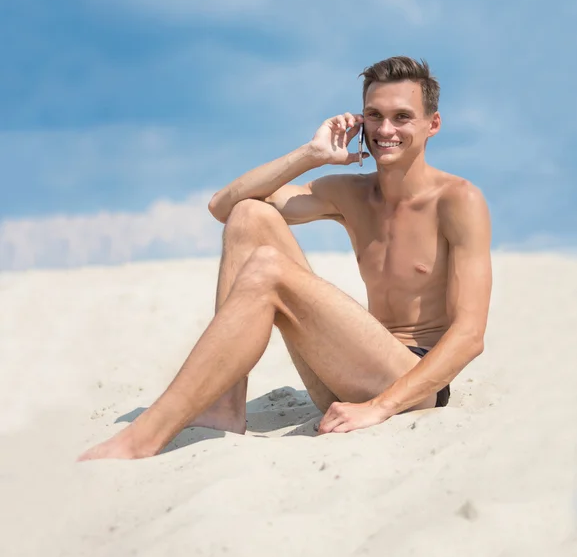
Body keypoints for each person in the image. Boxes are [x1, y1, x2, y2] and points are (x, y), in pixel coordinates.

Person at [79, 56, 492, 461]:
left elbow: (470, 336)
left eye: (402, 117)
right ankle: (224, 405)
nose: (385, 129)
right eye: (374, 115)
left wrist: (380, 407)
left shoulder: (458, 200)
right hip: (346, 373)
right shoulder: (350, 193)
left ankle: (145, 437)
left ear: (431, 124)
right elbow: (223, 206)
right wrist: (312, 153)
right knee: (249, 215)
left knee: (268, 271)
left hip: (413, 385)